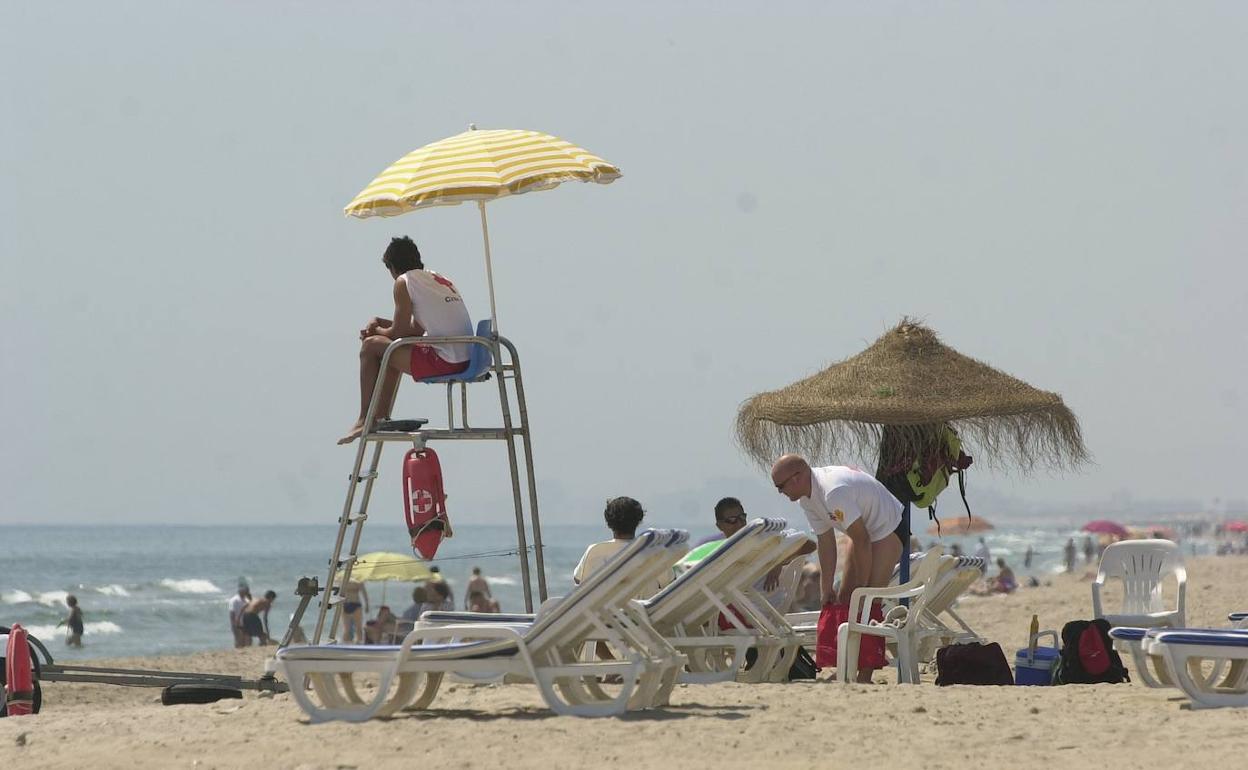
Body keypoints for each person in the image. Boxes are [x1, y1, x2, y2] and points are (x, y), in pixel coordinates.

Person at [771, 455, 903, 683]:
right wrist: (826, 587)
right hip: (861, 532)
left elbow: (862, 540)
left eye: (780, 486)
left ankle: (865, 674)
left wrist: (862, 585)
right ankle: (847, 668)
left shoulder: (833, 492)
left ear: (798, 477)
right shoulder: (807, 500)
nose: (780, 492)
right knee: (842, 599)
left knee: (867, 601)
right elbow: (826, 542)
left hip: (887, 529)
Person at [339, 236, 473, 445]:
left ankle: (365, 418)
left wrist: (375, 331)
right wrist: (380, 325)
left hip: (447, 360)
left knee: (370, 347)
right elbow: (414, 331)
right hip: (467, 356)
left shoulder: (404, 282)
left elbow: (399, 332)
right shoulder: (436, 279)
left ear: (392, 268)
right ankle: (380, 417)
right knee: (389, 350)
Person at [574, 497, 671, 663]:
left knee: (580, 616)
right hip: (643, 618)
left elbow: (579, 580)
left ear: (608, 522)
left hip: (602, 619)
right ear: (639, 520)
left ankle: (610, 661)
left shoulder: (596, 551)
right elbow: (668, 581)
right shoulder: (653, 551)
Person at [709, 496, 816, 610]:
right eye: (732, 520)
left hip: (756, 611)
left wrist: (777, 562)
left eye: (742, 518)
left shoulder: (763, 539)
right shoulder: (722, 555)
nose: (739, 524)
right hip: (746, 610)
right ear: (720, 526)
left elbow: (809, 545)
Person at [340, 580, 369, 644]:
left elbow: (364, 592)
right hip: (345, 604)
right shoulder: (343, 579)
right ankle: (345, 644)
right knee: (346, 628)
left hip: (356, 604)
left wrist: (367, 605)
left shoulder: (358, 580)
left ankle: (359, 644)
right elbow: (338, 593)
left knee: (358, 627)